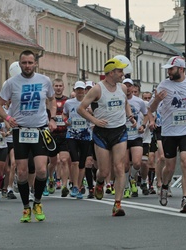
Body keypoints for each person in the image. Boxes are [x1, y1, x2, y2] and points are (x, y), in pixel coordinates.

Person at [0, 50, 57, 222]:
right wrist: (7, 117)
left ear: (35, 63)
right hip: (20, 130)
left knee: (42, 170)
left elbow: (52, 100)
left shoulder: (44, 80)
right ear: (20, 64)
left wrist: (52, 119)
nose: (27, 66)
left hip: (40, 129)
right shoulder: (11, 83)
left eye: (30, 63)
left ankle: (37, 201)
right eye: (24, 63)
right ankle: (26, 207)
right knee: (21, 172)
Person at [77, 57, 135, 216]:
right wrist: (95, 120)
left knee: (119, 167)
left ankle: (117, 204)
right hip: (102, 133)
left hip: (119, 131)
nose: (122, 74)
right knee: (104, 171)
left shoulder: (122, 88)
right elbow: (81, 109)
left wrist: (129, 116)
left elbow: (125, 103)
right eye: (120, 71)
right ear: (110, 73)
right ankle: (100, 182)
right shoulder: (97, 89)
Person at [149, 56, 186, 213]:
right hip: (169, 132)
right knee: (170, 166)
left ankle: (185, 198)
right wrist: (157, 100)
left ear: (181, 69)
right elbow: (151, 108)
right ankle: (164, 185)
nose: (168, 72)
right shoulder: (164, 85)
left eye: (171, 69)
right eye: (168, 69)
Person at [63, 81, 92, 199]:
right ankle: (74, 185)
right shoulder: (69, 103)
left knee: (82, 163)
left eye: (82, 89)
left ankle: (79, 186)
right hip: (72, 134)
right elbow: (64, 115)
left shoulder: (89, 102)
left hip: (85, 135)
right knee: (74, 161)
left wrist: (90, 112)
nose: (80, 92)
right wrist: (66, 121)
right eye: (78, 89)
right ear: (74, 90)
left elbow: (95, 115)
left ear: (85, 91)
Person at [47, 78, 70, 197]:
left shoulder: (68, 101)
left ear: (63, 87)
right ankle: (51, 178)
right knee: (53, 162)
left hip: (64, 134)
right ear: (53, 87)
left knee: (64, 160)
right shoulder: (49, 101)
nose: (58, 88)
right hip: (52, 135)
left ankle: (64, 185)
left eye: (60, 86)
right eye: (56, 86)